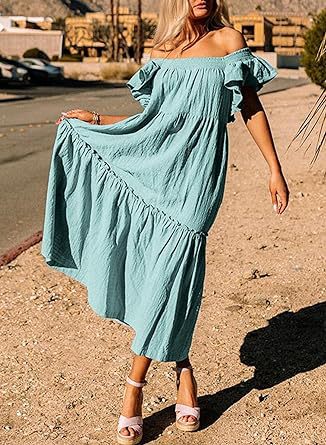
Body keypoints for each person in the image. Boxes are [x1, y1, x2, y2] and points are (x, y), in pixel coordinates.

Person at [42, 0, 290, 443]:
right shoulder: (162, 52)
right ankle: (184, 370)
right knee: (165, 277)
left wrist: (274, 167)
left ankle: (132, 388)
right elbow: (151, 122)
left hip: (197, 181)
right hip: (156, 169)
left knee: (175, 269)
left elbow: (250, 108)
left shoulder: (230, 41)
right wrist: (96, 121)